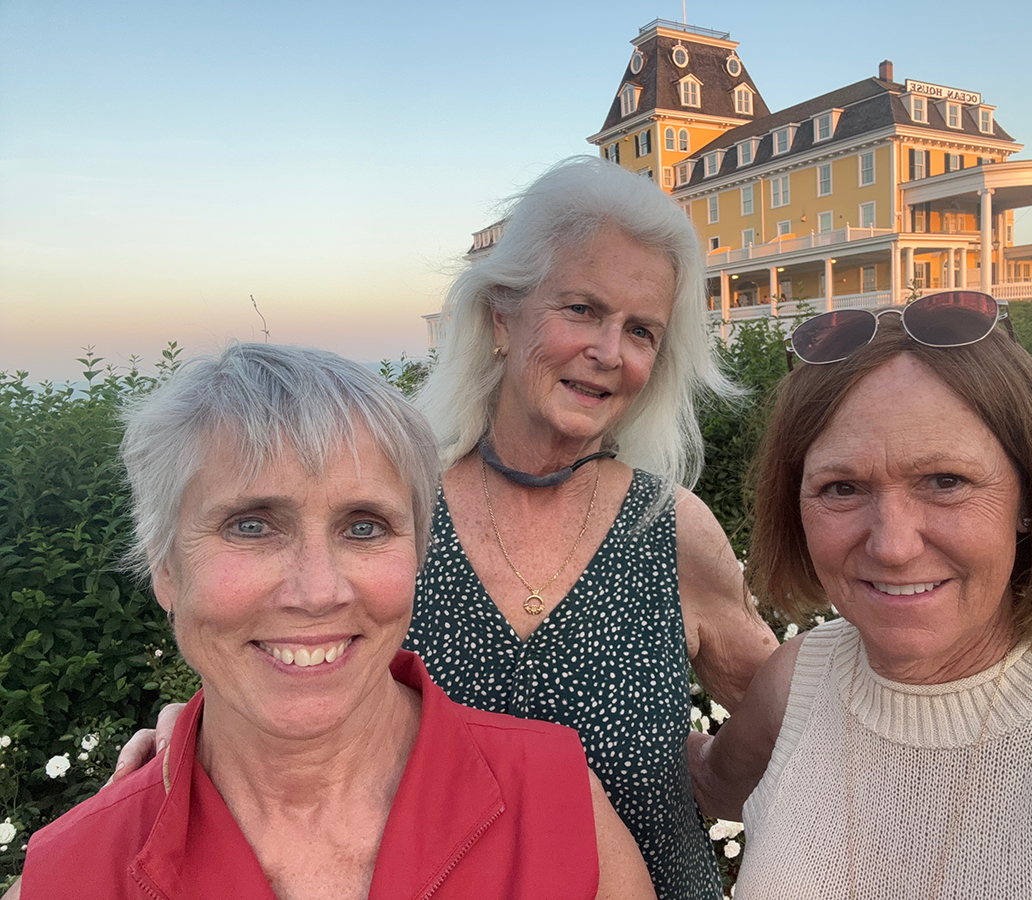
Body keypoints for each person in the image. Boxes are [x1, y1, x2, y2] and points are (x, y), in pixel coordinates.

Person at [113, 157, 779, 900]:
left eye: (642, 331)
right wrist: (198, 737)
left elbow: (784, 704)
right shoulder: (391, 517)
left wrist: (720, 779)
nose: (609, 352)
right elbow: (293, 650)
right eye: (582, 309)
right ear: (502, 317)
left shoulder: (670, 528)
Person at [9, 344, 654, 900]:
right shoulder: (75, 873)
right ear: (165, 568)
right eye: (252, 525)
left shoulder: (554, 804)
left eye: (364, 527)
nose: (318, 590)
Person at [689, 292, 1032, 898]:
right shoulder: (798, 680)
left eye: (945, 481)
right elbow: (710, 783)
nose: (894, 546)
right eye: (842, 487)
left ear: (1031, 499)